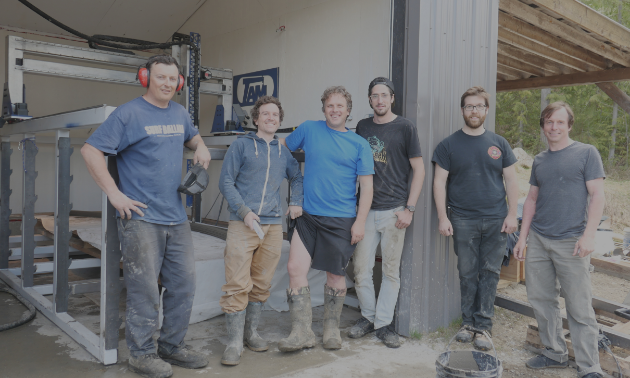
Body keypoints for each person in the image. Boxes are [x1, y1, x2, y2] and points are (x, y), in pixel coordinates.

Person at [81, 54, 210, 378]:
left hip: (176, 218)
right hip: (141, 219)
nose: (167, 83)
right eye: (160, 77)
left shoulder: (180, 113)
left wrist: (201, 146)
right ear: (146, 78)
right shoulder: (129, 114)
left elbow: (191, 136)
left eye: (172, 79)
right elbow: (90, 150)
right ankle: (141, 354)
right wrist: (114, 193)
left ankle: (172, 345)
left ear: (179, 83)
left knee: (184, 286)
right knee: (145, 291)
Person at [278, 86, 374, 351]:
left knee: (335, 275)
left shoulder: (359, 144)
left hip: (342, 218)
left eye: (340, 106)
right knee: (295, 268)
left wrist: (360, 221)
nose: (334, 110)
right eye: (330, 106)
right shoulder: (309, 129)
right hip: (307, 215)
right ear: (324, 109)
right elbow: (282, 150)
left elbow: (366, 187)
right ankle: (301, 331)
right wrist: (295, 189)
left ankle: (331, 329)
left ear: (348, 111)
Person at [513, 102, 605, 378]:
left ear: (569, 125)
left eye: (560, 122)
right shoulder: (540, 160)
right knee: (541, 299)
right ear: (543, 126)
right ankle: (554, 352)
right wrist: (522, 238)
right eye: (549, 122)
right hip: (540, 239)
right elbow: (531, 200)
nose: (554, 127)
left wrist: (589, 235)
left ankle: (589, 367)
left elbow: (598, 195)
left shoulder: (586, 153)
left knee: (579, 306)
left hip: (572, 241)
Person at [218, 96, 303, 366]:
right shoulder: (241, 145)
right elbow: (226, 181)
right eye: (265, 114)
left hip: (273, 225)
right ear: (256, 119)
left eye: (275, 114)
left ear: (279, 120)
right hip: (242, 223)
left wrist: (295, 202)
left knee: (262, 282)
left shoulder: (282, 150)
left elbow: (297, 177)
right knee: (236, 282)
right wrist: (243, 211)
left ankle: (250, 333)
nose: (270, 118)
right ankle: (233, 342)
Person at [432, 86, 518, 351]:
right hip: (462, 220)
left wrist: (513, 214)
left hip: (496, 219)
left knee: (490, 273)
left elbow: (512, 180)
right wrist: (442, 218)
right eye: (469, 106)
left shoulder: (499, 143)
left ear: (486, 110)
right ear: (462, 110)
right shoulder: (448, 145)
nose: (474, 111)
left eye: (479, 106)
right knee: (467, 272)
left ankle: (484, 328)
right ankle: (468, 324)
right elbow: (439, 183)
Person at [349, 77, 424, 348]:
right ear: (369, 100)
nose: (379, 100)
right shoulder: (362, 126)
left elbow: (419, 170)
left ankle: (383, 324)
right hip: (366, 211)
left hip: (394, 211)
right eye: (374, 96)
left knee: (391, 271)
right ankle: (368, 318)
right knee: (361, 269)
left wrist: (410, 209)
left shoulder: (405, 127)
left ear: (392, 98)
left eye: (384, 95)